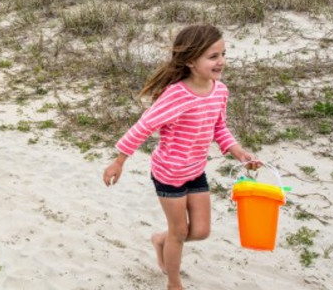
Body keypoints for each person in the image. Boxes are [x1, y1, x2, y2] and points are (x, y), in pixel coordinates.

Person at [102, 24, 260, 290]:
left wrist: (239, 152)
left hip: (195, 170)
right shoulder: (176, 96)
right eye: (212, 56)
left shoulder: (219, 91)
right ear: (190, 61)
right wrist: (119, 161)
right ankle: (173, 283)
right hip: (169, 175)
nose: (221, 61)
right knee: (180, 231)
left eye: (223, 54)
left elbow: (219, 128)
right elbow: (143, 127)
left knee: (200, 231)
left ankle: (160, 240)